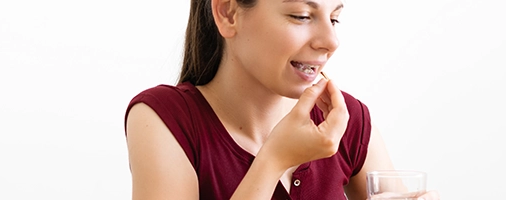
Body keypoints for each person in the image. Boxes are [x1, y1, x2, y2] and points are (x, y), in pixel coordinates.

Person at [124, 0, 439, 199]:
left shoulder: (347, 119)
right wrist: (273, 160)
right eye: (302, 15)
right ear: (228, 13)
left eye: (335, 19)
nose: (331, 41)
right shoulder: (165, 118)